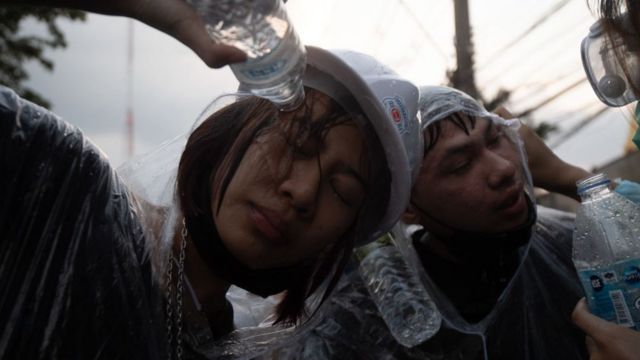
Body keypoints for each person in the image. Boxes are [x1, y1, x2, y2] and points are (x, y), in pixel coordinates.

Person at [0, 30, 425, 359]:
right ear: (232, 127)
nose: (302, 193)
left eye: (342, 190)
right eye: (296, 143)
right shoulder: (65, 189)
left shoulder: (234, 346)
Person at [278, 86, 589, 359]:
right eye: (460, 165)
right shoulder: (357, 325)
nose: (504, 169)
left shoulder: (571, 243)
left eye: (495, 139)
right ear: (407, 207)